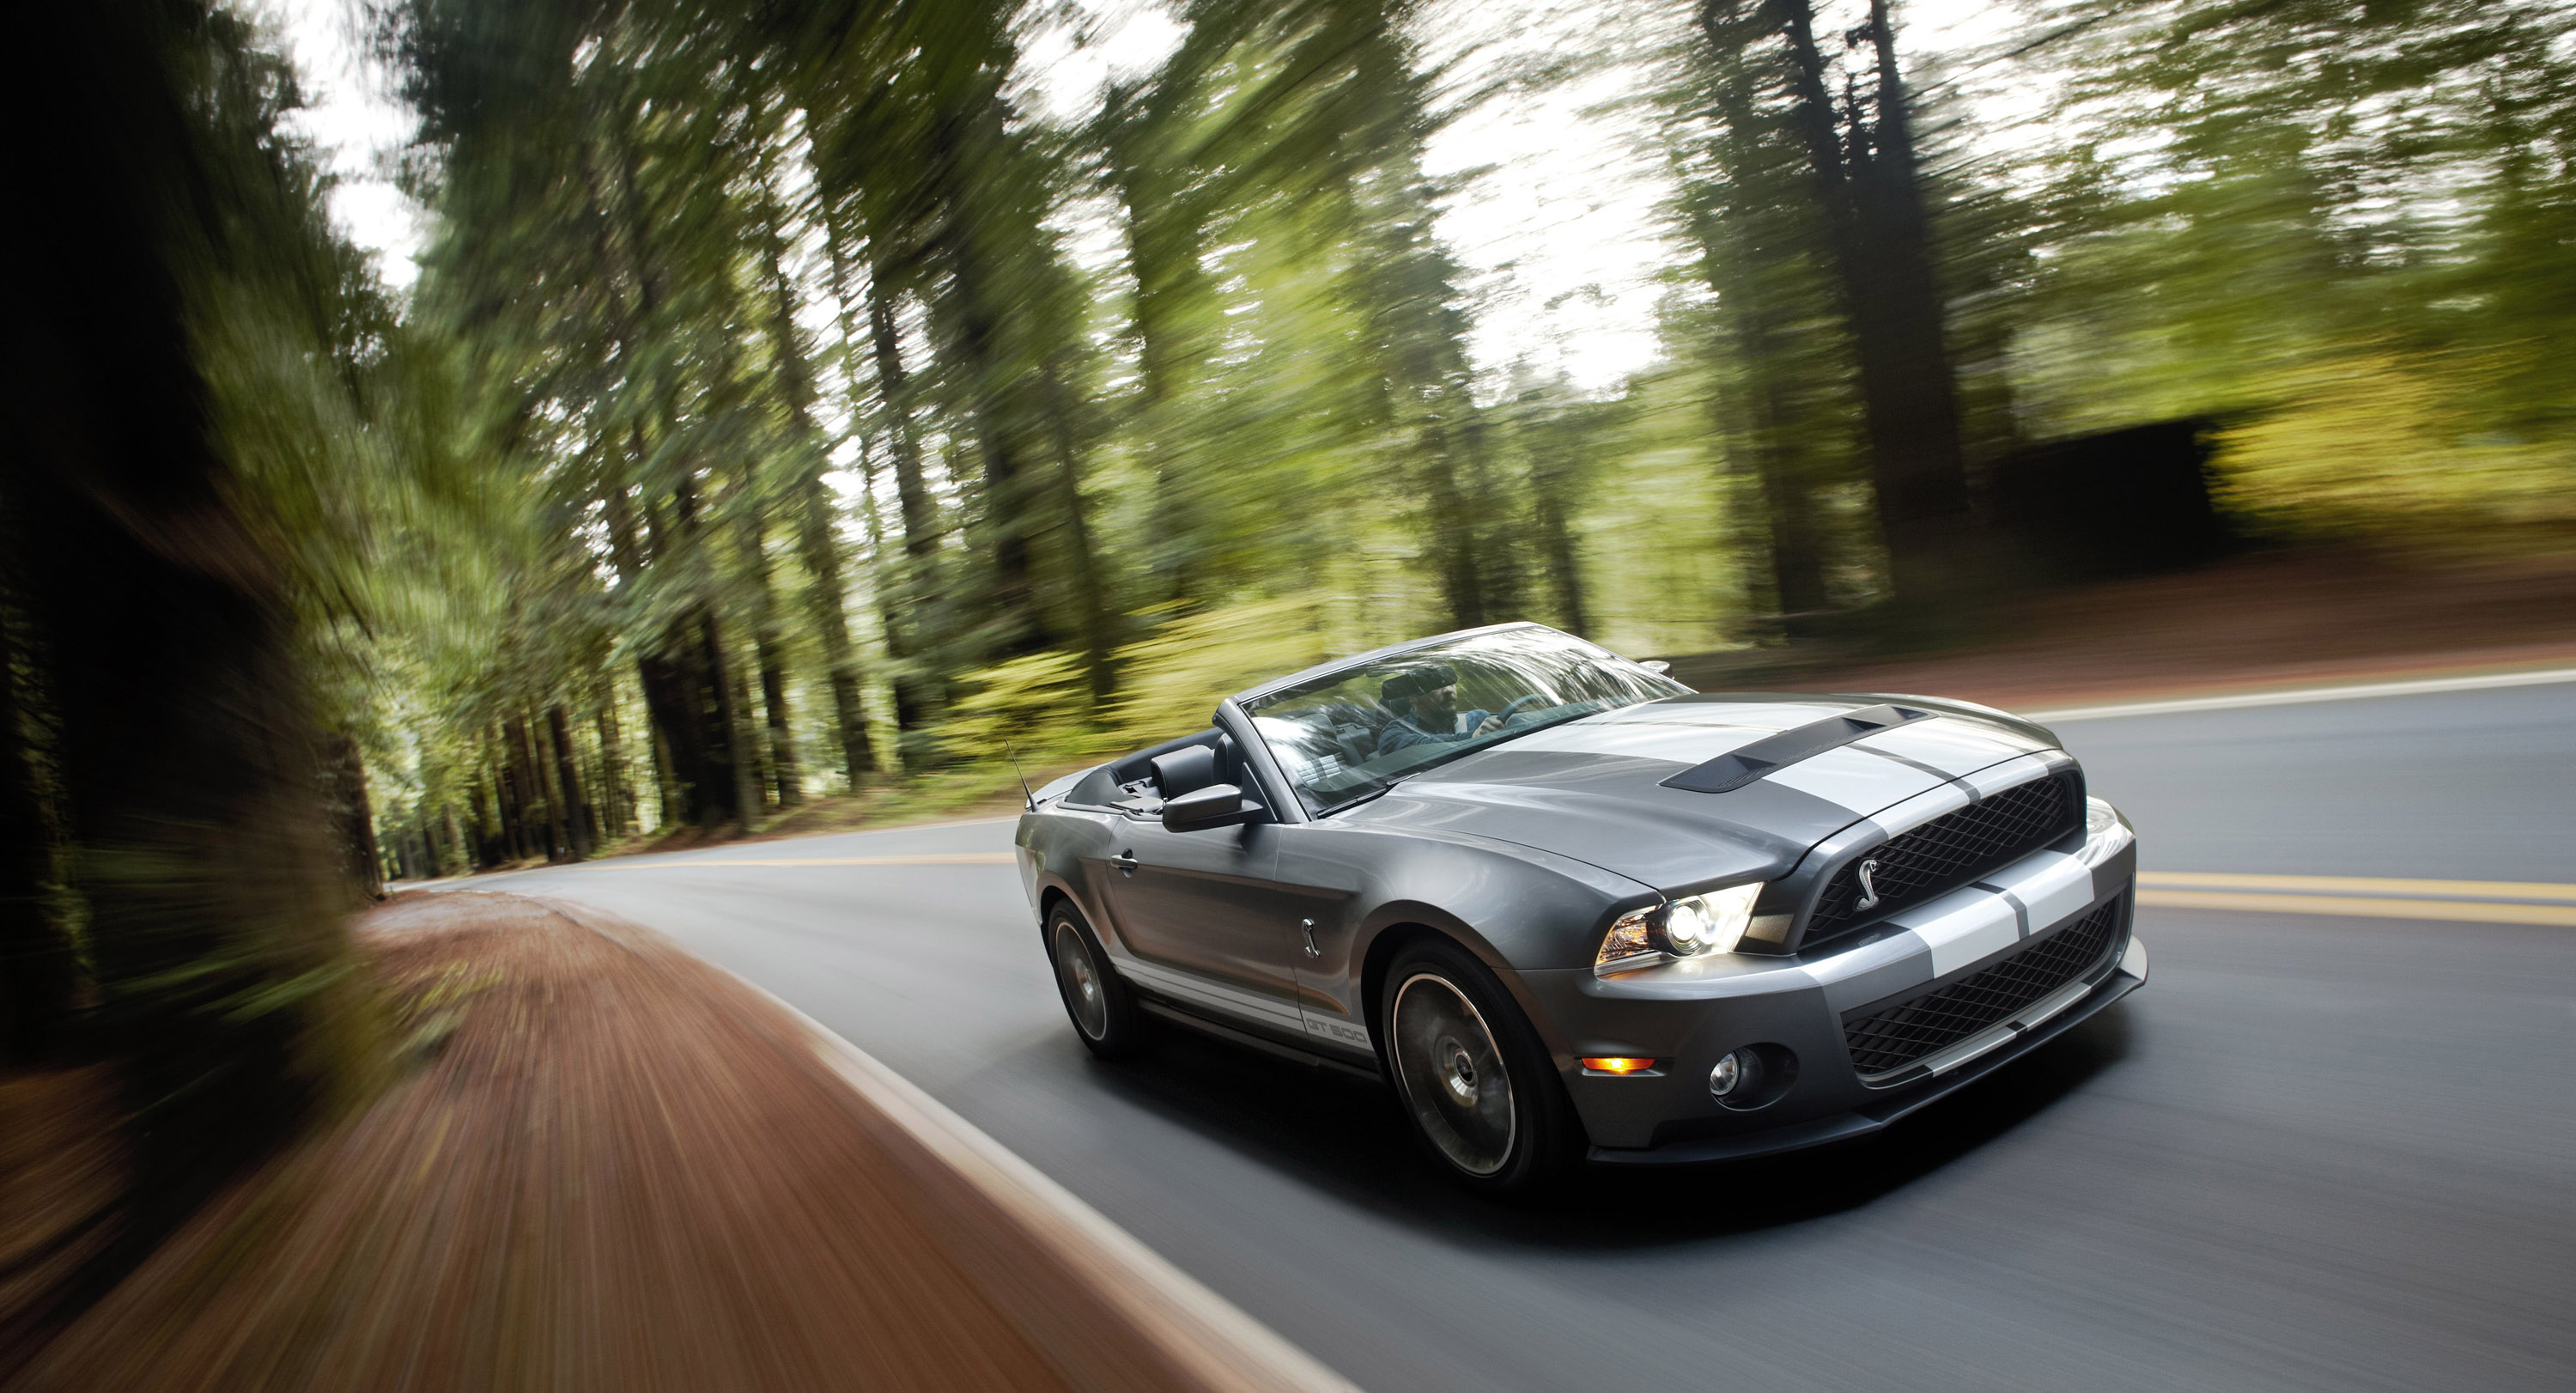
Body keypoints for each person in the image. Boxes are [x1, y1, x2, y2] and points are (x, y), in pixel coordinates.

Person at [1375, 664, 1506, 756]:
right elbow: (1426, 747)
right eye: (1435, 684)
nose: (1448, 690)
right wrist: (1473, 737)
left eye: (1450, 681)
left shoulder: (1478, 719)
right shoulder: (1393, 735)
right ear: (1414, 697)